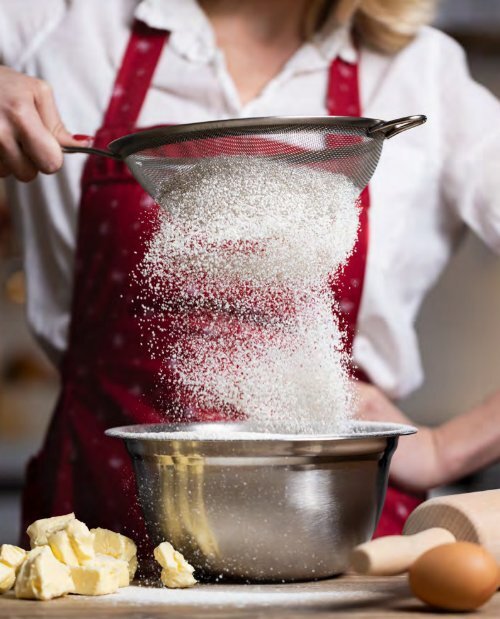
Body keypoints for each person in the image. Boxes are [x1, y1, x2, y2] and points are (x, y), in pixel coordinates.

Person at [1, 0, 500, 554]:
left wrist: (446, 448)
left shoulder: (421, 73)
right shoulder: (58, 24)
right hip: (96, 544)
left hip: (343, 547)